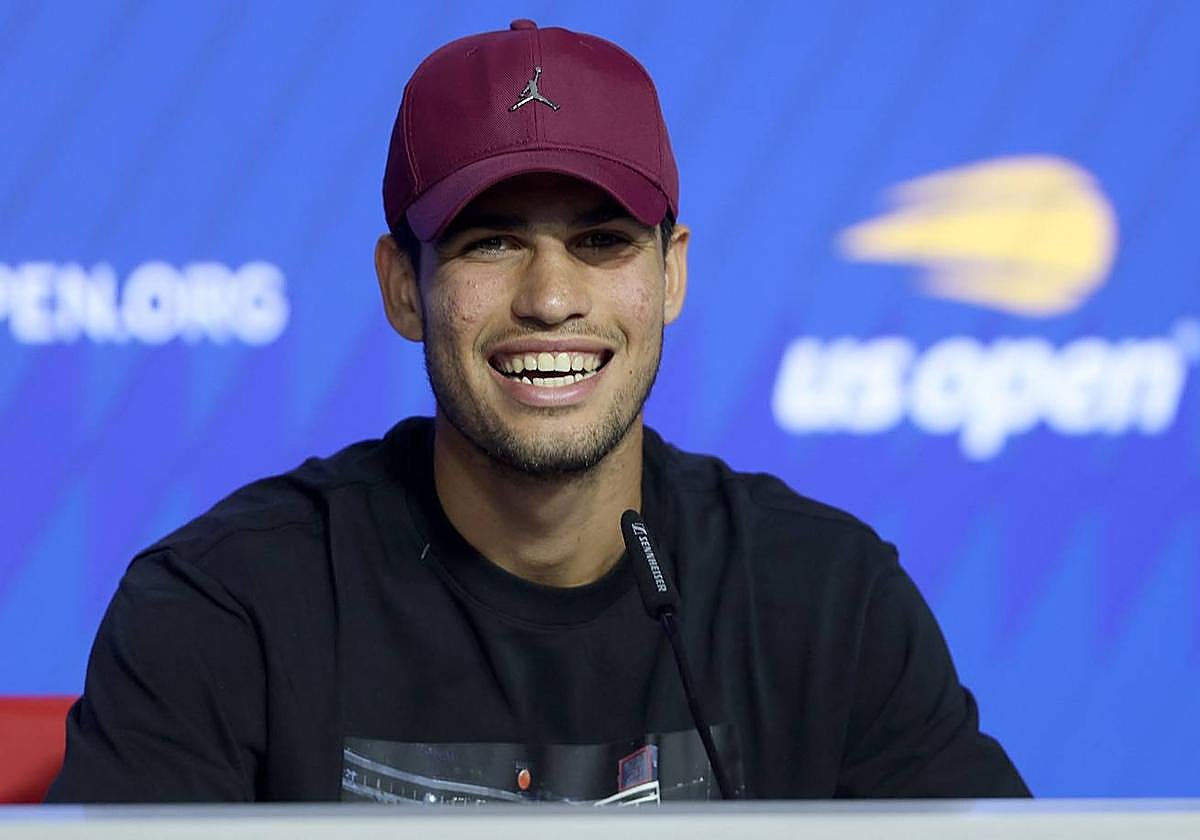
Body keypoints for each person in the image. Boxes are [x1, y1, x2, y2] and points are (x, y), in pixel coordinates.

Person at [47, 20, 1029, 804]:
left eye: (601, 240)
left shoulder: (826, 598)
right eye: (491, 243)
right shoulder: (226, 609)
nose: (551, 297)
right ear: (402, 286)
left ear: (672, 272)